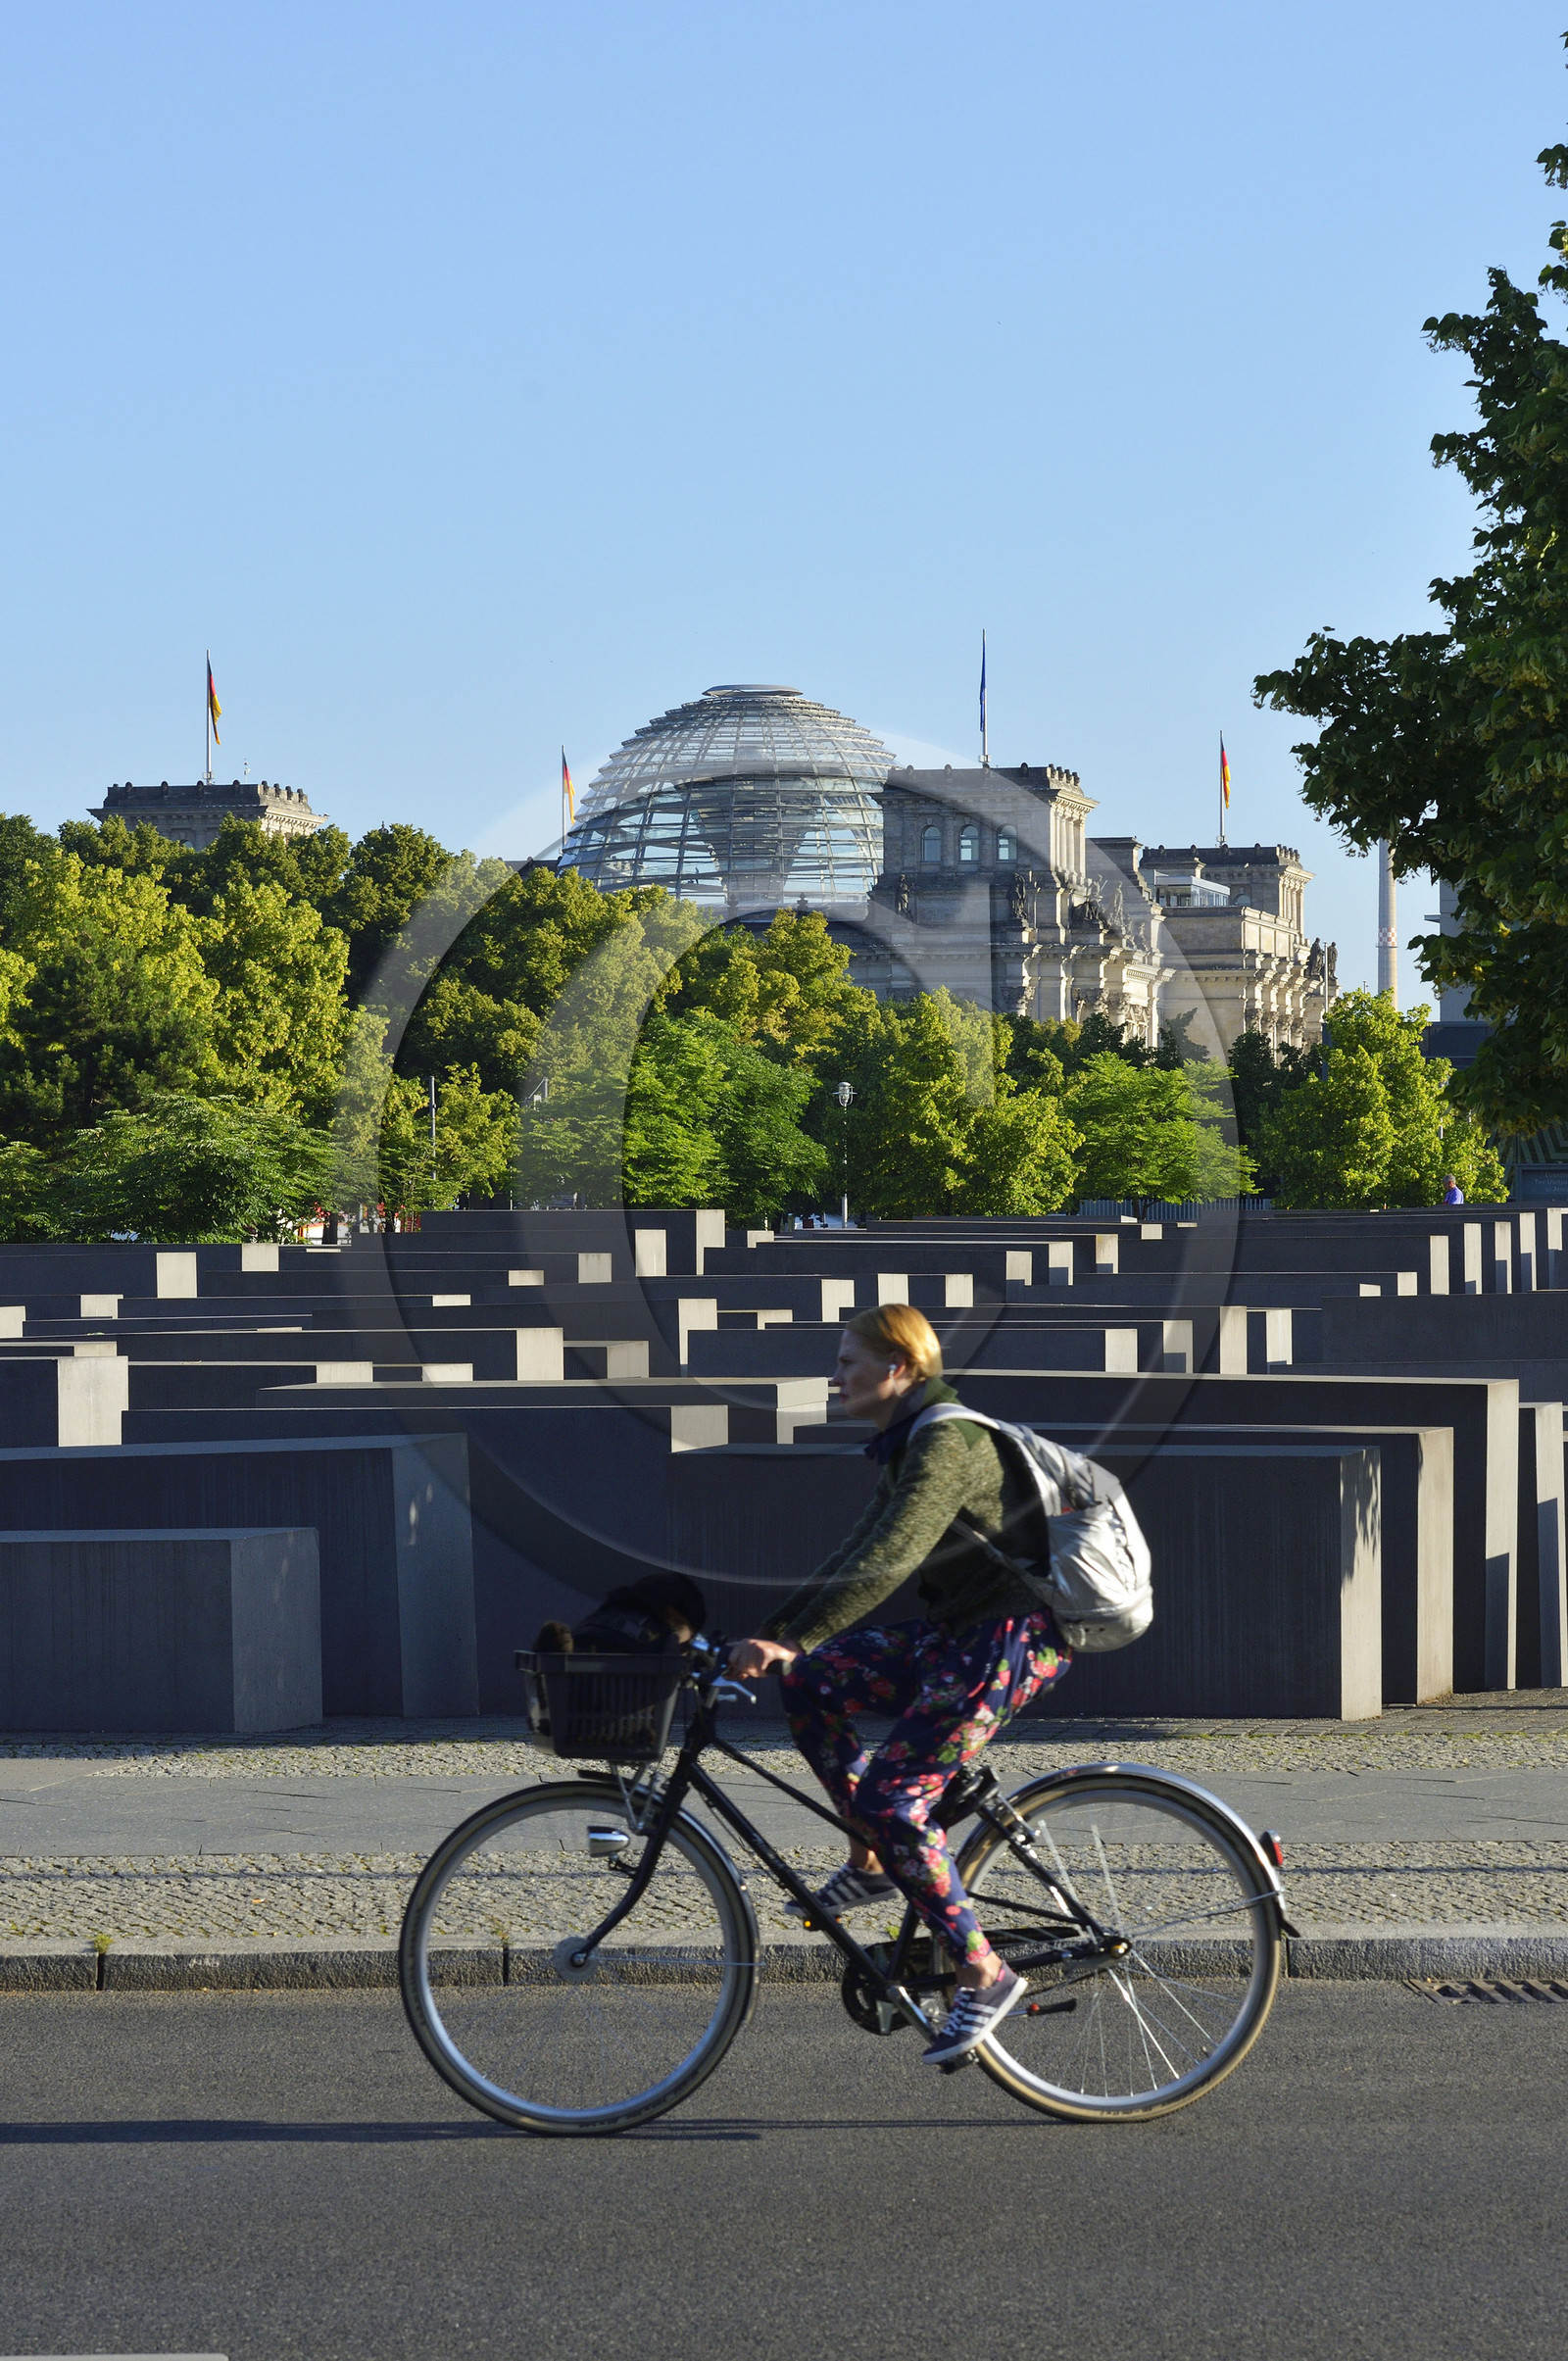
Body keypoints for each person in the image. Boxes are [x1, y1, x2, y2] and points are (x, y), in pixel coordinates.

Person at [728, 1303, 1070, 2065]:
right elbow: (856, 1550)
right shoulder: (909, 1440)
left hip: (1012, 1639)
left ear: (901, 1367)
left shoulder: (947, 1440)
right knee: (813, 1680)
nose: (834, 1375)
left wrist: (789, 1636)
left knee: (895, 1794)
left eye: (848, 1360)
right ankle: (873, 1857)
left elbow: (890, 1558)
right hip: (958, 1636)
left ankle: (982, 1970)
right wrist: (779, 1637)